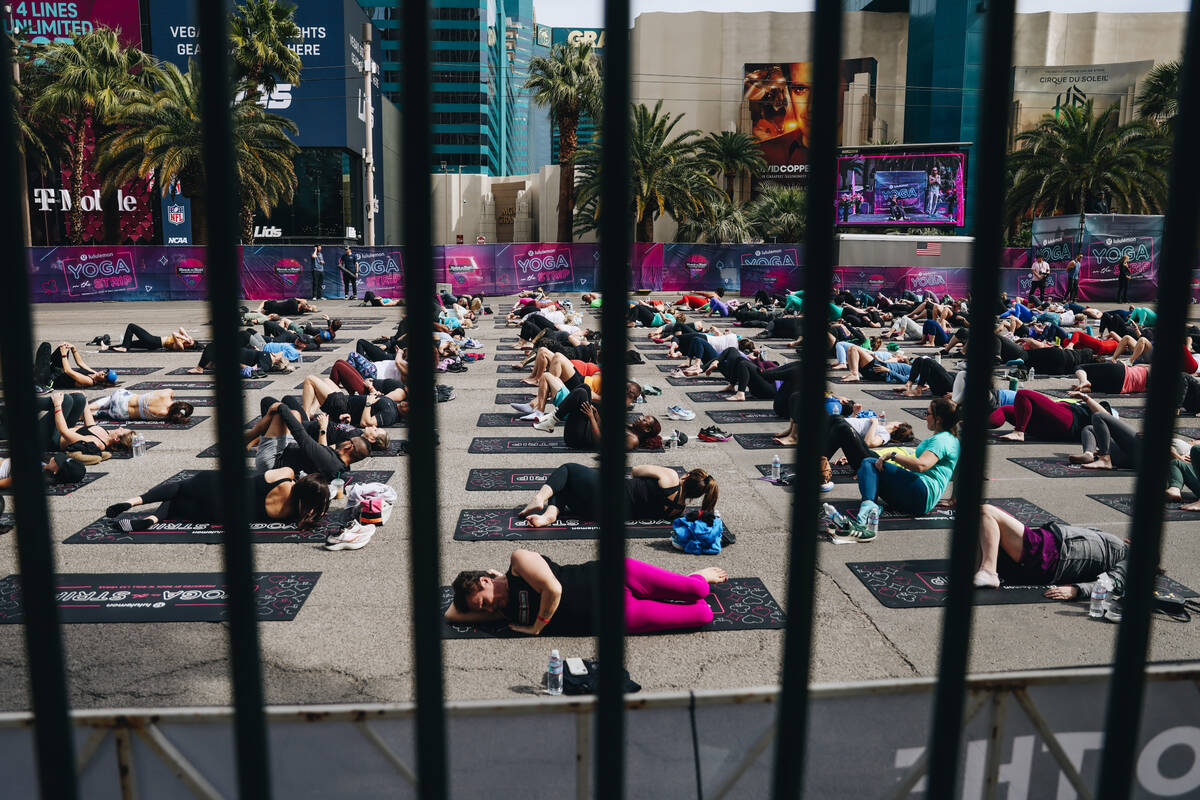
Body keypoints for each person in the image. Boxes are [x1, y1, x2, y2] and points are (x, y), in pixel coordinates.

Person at [446, 550, 728, 636]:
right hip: (615, 615)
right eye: (481, 609)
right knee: (702, 613)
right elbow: (451, 614)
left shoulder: (518, 562)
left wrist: (536, 626)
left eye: (483, 601)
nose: (487, 609)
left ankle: (695, 577)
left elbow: (553, 589)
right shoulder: (502, 612)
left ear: (485, 580)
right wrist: (487, 602)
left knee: (698, 589)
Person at [972, 503, 1130, 597]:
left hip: (1053, 554)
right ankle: (985, 567)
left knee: (986, 512)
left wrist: (1077, 590)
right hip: (1050, 543)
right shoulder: (1120, 546)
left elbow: (1112, 583)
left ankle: (990, 572)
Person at [104, 468, 330, 532]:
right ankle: (153, 519)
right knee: (177, 505)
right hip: (219, 512)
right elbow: (317, 513)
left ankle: (134, 501)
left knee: (180, 487)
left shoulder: (285, 476)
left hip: (216, 485)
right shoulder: (293, 515)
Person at [853, 397, 960, 528]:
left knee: (869, 463)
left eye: (928, 413)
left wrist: (892, 455)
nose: (925, 417)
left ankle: (868, 508)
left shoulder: (942, 440)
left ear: (939, 419)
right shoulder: (951, 439)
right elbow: (958, 469)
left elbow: (921, 465)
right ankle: (871, 508)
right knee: (871, 472)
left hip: (921, 493)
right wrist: (953, 499)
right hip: (920, 498)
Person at [517, 463, 718, 527]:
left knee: (568, 470)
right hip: (602, 515)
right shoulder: (677, 511)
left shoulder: (672, 478)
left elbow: (637, 470)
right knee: (565, 488)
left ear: (689, 476)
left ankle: (540, 498)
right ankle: (549, 515)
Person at [244, 403, 370, 479]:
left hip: (273, 461)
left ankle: (247, 438)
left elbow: (300, 435)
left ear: (349, 447)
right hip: (288, 455)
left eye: (348, 440)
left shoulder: (327, 458)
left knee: (278, 414)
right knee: (295, 414)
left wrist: (281, 407)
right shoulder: (341, 466)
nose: (345, 440)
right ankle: (248, 440)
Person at [43, 392, 132, 454]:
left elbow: (64, 431)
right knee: (79, 398)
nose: (121, 427)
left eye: (122, 430)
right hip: (62, 429)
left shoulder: (96, 443)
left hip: (51, 438)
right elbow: (91, 426)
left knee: (66, 401)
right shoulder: (106, 434)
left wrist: (57, 405)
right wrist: (84, 400)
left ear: (117, 439)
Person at [89, 388, 194, 425]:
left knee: (109, 399)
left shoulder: (167, 393)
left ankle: (88, 407)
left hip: (121, 397)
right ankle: (94, 413)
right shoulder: (165, 414)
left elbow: (171, 391)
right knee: (106, 413)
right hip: (120, 414)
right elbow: (176, 417)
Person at [0, 453, 87, 490]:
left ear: (55, 472)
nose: (54, 458)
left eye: (57, 460)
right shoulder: (44, 465)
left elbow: (6, 482)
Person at [97, 324, 197, 352]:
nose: (187, 341)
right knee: (130, 343)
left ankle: (124, 348)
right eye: (190, 341)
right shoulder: (184, 340)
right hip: (153, 343)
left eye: (189, 343)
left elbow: (174, 333)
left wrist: (185, 338)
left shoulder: (181, 347)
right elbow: (181, 328)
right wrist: (187, 336)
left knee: (131, 326)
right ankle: (106, 348)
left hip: (154, 341)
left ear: (188, 346)